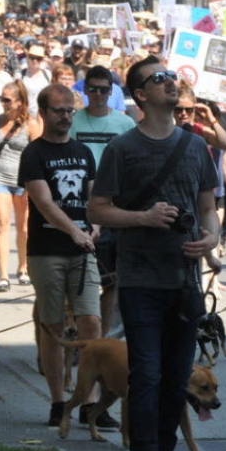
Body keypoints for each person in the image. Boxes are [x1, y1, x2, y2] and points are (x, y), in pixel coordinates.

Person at [88, 58, 220, 451]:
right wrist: (143, 217)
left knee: (175, 378)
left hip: (185, 281)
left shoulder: (195, 146)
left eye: (170, 76)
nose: (170, 82)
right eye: (158, 78)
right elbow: (98, 210)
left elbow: (207, 207)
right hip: (141, 279)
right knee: (145, 375)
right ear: (141, 95)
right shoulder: (123, 149)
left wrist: (212, 236)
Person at [21, 84, 112, 429]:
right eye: (59, 110)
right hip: (47, 251)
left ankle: (90, 402)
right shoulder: (34, 154)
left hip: (83, 249)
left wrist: (96, 226)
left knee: (92, 321)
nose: (65, 116)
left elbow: (93, 197)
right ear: (43, 113)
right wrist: (73, 230)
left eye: (70, 110)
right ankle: (59, 401)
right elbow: (44, 203)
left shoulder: (83, 152)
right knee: (53, 326)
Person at [69, 65, 136, 334]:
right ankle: (75, 332)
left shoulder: (124, 123)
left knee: (110, 280)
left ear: (112, 92)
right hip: (77, 205)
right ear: (85, 91)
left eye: (103, 90)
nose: (98, 95)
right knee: (78, 279)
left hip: (113, 206)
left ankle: (103, 338)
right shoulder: (73, 121)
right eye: (93, 89)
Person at [0, 82, 40, 291]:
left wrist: (34, 184)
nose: (3, 103)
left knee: (24, 227)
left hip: (22, 181)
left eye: (7, 100)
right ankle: (3, 275)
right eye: (2, 98)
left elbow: (37, 155)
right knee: (1, 224)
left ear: (20, 102)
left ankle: (23, 267)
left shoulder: (31, 124)